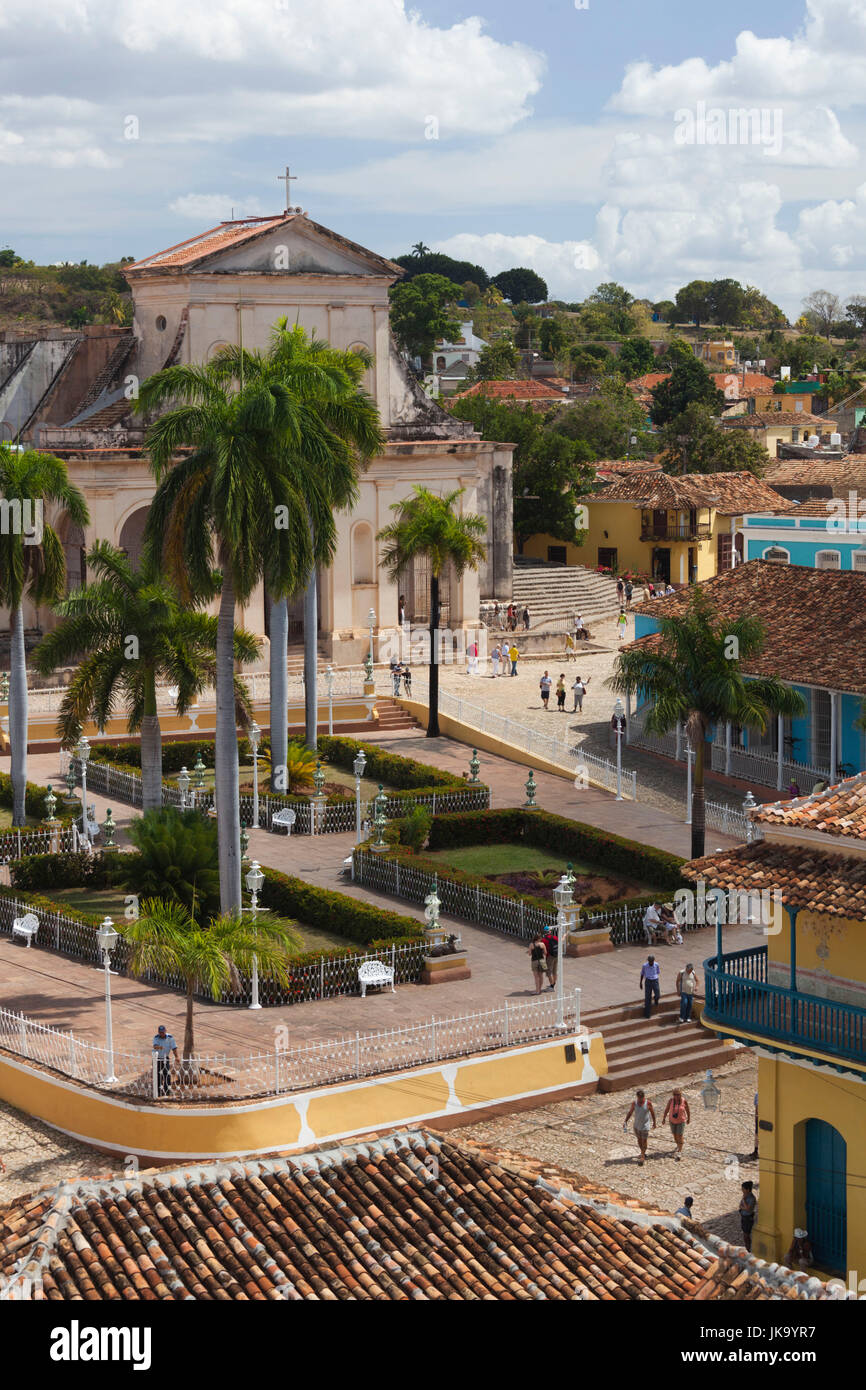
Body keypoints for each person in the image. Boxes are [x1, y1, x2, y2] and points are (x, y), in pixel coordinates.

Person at [624, 1089, 655, 1167]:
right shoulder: (634, 1103)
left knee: (644, 1141)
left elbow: (652, 1112)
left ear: (643, 1097)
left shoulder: (648, 1103)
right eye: (639, 1098)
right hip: (637, 1126)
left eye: (641, 1098)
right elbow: (630, 1112)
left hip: (645, 1126)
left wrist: (654, 1122)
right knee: (639, 1140)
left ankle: (643, 1156)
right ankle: (642, 1152)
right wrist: (626, 1121)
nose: (640, 1099)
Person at [663, 1088, 691, 1160]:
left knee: (680, 1135)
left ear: (680, 1094)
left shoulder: (684, 1101)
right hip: (672, 1121)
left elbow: (687, 1110)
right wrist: (664, 1118)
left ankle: (680, 1151)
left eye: (678, 1095)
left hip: (681, 1121)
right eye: (675, 1095)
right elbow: (666, 1109)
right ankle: (678, 1145)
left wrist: (689, 1118)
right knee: (675, 1135)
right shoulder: (671, 1101)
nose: (676, 1096)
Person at [152, 1025, 179, 1097]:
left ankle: (167, 1091)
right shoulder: (156, 1037)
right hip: (157, 1059)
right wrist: (159, 1047)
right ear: (158, 1032)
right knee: (157, 1075)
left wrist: (177, 1056)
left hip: (165, 1058)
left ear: (165, 1031)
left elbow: (174, 1048)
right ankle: (157, 1092)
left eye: (163, 1032)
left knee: (167, 1075)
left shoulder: (170, 1038)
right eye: (160, 1032)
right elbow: (154, 1046)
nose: (162, 1034)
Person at [640, 954, 660, 1018]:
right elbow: (642, 974)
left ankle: (656, 999)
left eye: (652, 961)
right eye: (650, 961)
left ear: (653, 961)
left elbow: (658, 972)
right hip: (648, 981)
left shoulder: (656, 965)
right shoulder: (645, 965)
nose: (651, 962)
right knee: (647, 998)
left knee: (658, 994)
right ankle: (647, 1014)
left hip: (655, 980)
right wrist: (640, 982)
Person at [739, 1181, 757, 1252]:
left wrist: (743, 1200)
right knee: (745, 1234)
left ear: (748, 1190)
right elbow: (740, 1206)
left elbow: (747, 1208)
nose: (742, 1190)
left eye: (743, 1189)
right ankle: (747, 1248)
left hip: (748, 1218)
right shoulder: (745, 1196)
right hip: (743, 1217)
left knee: (747, 1235)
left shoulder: (752, 1198)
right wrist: (744, 1206)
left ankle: (748, 1249)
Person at [543, 926, 559, 990]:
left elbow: (543, 949)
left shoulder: (544, 940)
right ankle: (553, 983)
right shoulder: (555, 937)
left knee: (549, 972)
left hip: (549, 957)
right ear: (550, 931)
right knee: (554, 971)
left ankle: (552, 986)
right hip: (556, 955)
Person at [749, 1091, 759, 1160]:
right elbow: (756, 1108)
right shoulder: (757, 1094)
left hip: (764, 1117)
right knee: (757, 1135)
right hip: (758, 1118)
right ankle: (756, 1151)